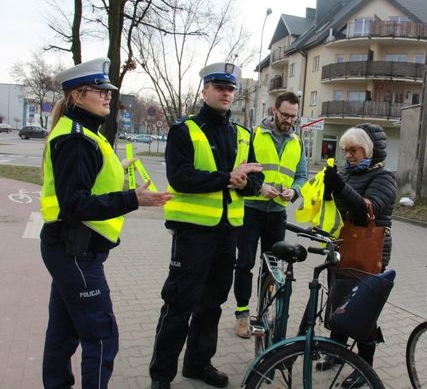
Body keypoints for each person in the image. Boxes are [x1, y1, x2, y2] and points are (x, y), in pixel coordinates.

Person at [40, 58, 171, 389]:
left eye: (108, 91)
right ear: (77, 96)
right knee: (101, 336)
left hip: (70, 247)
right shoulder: (76, 139)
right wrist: (132, 199)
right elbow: (76, 204)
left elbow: (88, 184)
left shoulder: (83, 134)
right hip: (75, 249)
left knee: (63, 330)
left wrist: (119, 168)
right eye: (99, 90)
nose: (107, 96)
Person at [149, 62, 263, 389]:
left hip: (228, 235)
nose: (226, 93)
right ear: (205, 91)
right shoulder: (185, 129)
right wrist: (228, 178)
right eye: (219, 87)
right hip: (192, 234)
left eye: (231, 89)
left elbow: (255, 181)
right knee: (178, 305)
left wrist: (245, 184)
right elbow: (180, 177)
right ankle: (161, 377)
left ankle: (198, 364)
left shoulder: (242, 134)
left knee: (212, 304)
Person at [322, 123, 396, 387]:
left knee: (363, 309)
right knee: (338, 302)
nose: (349, 155)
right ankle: (337, 353)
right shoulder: (350, 173)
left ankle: (364, 366)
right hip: (342, 247)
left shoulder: (384, 177)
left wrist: (340, 187)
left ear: (369, 150)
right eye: (346, 150)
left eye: (354, 150)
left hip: (368, 252)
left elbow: (369, 211)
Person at [233, 91, 308, 338]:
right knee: (244, 263)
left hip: (277, 213)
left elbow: (301, 175)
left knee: (272, 267)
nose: (289, 120)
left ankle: (263, 314)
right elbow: (242, 166)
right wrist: (259, 186)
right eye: (285, 114)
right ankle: (242, 316)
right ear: (274, 110)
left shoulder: (297, 142)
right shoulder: (254, 135)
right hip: (251, 210)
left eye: (293, 116)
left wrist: (293, 192)